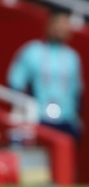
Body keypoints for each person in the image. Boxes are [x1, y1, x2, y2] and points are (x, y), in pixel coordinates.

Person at [7, 9, 82, 138]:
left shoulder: (73, 57)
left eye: (65, 25)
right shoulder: (32, 51)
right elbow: (15, 83)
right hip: (38, 118)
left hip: (66, 120)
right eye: (58, 24)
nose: (61, 29)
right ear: (49, 25)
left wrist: (76, 119)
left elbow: (77, 92)